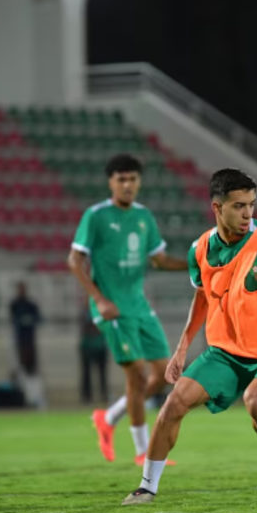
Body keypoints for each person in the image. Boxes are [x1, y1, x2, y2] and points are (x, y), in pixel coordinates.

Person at [121, 168, 257, 505]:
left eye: (251, 205)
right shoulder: (200, 249)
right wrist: (181, 350)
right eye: (239, 206)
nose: (248, 213)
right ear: (217, 208)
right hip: (226, 353)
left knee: (256, 400)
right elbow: (202, 296)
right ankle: (147, 487)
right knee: (173, 403)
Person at [68, 154, 187, 465]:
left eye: (132, 179)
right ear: (111, 182)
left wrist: (197, 263)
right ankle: (142, 451)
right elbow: (74, 260)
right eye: (121, 179)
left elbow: (159, 260)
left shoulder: (144, 217)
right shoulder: (95, 216)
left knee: (163, 373)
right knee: (135, 374)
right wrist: (100, 299)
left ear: (139, 182)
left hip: (139, 305)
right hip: (112, 309)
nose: (127, 184)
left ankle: (108, 417)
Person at [9, 282, 44, 408]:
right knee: (21, 369)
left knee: (32, 370)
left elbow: (39, 319)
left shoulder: (31, 305)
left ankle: (36, 398)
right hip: (20, 341)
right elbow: (12, 320)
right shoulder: (14, 305)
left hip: (30, 341)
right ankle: (24, 398)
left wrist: (29, 320)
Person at [79, 297, 109, 404]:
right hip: (88, 346)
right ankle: (86, 396)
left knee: (102, 373)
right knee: (86, 373)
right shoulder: (85, 313)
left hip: (100, 345)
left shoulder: (100, 311)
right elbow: (85, 329)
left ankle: (104, 394)